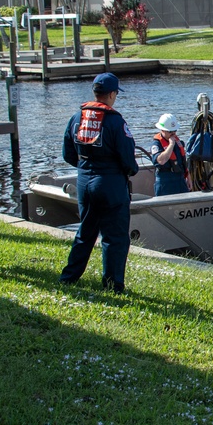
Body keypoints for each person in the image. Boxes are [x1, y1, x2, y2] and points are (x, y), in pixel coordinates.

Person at [60, 73, 138, 293]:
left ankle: (69, 277)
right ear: (112, 94)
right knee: (115, 237)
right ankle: (113, 285)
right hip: (111, 182)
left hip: (84, 181)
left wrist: (86, 167)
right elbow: (127, 158)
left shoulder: (77, 117)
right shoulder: (115, 121)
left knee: (85, 232)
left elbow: (68, 153)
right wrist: (130, 171)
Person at [149, 112, 189, 196]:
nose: (173, 133)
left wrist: (188, 177)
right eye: (170, 131)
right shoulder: (156, 144)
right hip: (165, 181)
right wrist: (171, 145)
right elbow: (161, 161)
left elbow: (183, 162)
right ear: (162, 130)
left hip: (180, 179)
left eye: (175, 130)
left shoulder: (178, 143)